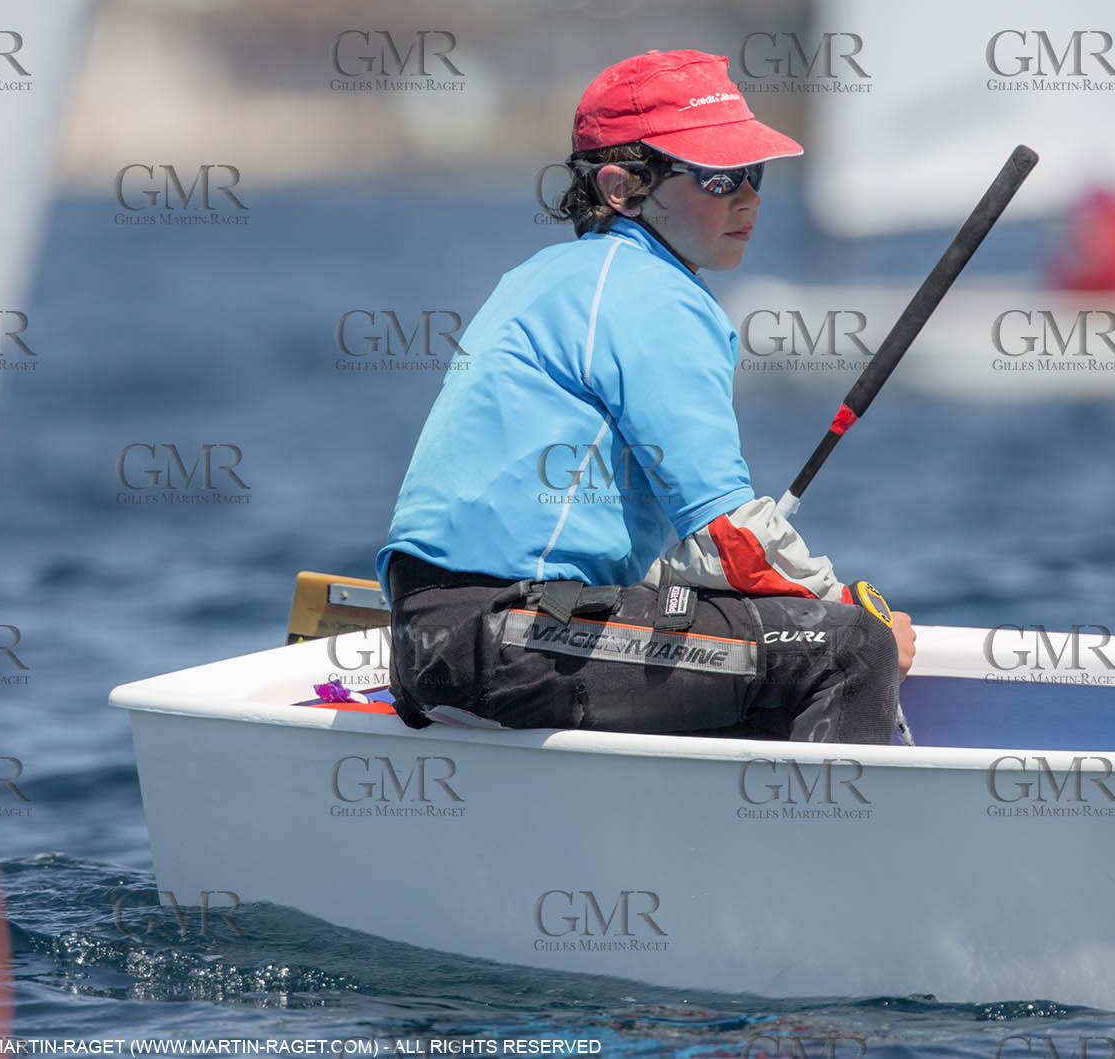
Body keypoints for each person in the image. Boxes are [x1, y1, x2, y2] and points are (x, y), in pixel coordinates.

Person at [376, 49, 915, 743]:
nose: (748, 197)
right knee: (846, 649)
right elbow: (730, 541)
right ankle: (824, 846)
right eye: (719, 177)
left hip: (444, 637)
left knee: (767, 633)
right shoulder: (657, 297)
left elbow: (685, 552)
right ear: (622, 185)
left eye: (753, 173)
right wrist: (854, 613)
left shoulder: (542, 275)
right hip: (514, 637)